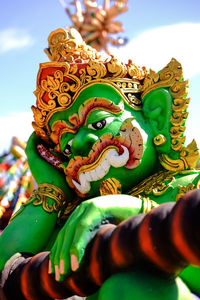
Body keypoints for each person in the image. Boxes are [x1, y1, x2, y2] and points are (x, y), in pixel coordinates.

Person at [0, 28, 200, 300]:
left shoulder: (188, 187)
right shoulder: (72, 218)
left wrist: (131, 211)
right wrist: (51, 188)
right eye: (66, 146)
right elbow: (5, 267)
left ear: (156, 117)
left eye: (98, 122)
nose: (80, 144)